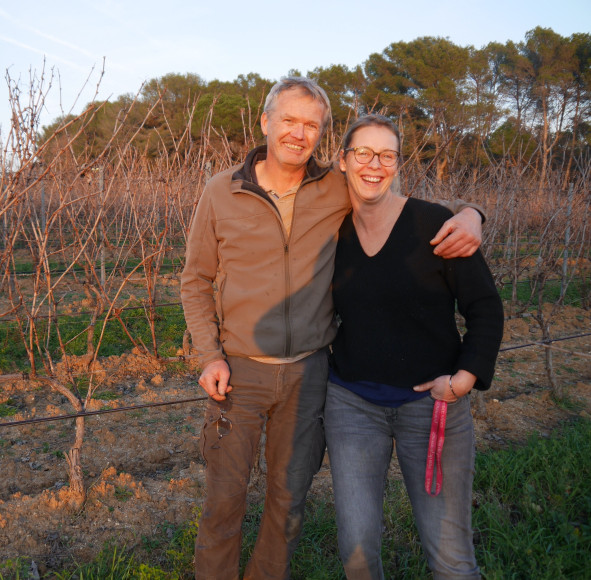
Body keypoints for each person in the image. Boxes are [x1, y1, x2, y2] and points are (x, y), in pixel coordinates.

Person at [180, 77, 484, 580]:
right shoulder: (221, 190)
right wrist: (209, 354)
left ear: (322, 135)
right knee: (224, 500)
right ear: (265, 122)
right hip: (239, 372)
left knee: (288, 500)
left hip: (310, 374)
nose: (298, 134)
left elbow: (396, 203)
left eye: (311, 125)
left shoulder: (335, 187)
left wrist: (471, 214)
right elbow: (195, 279)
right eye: (289, 120)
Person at [325, 114, 504, 580]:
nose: (374, 165)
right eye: (363, 153)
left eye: (387, 155)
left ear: (398, 164)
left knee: (450, 558)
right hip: (352, 405)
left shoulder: (434, 223)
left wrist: (465, 378)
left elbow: (485, 305)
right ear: (342, 160)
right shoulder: (330, 229)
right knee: (356, 553)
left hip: (432, 404)